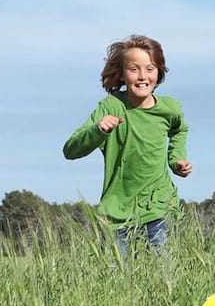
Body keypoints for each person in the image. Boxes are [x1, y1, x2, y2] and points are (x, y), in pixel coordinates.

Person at [63, 34, 192, 258]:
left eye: (150, 69)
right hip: (117, 211)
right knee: (118, 279)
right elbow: (71, 150)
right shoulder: (111, 106)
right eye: (134, 69)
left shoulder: (169, 109)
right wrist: (98, 131)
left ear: (159, 72)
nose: (143, 76)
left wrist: (176, 160)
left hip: (159, 205)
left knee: (166, 274)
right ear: (122, 74)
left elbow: (179, 130)